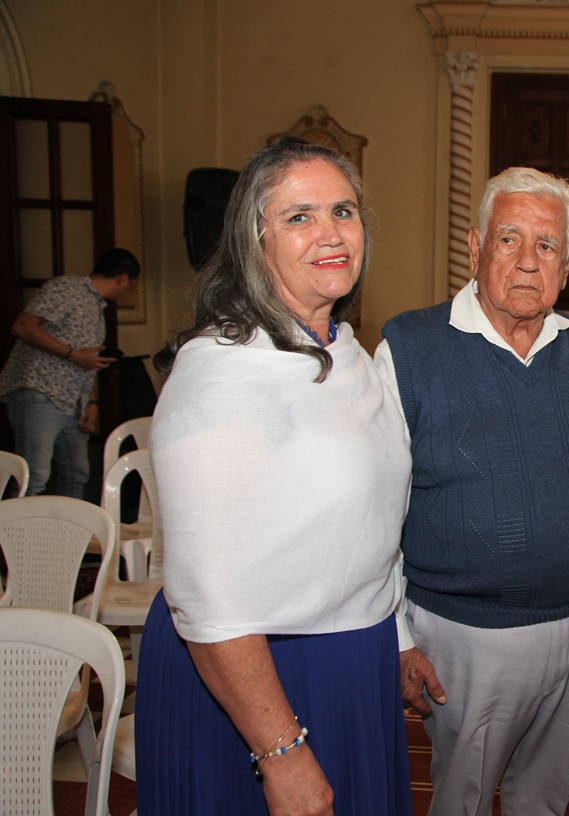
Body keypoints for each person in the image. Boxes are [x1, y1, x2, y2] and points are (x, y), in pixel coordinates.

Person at [135, 137, 413, 816]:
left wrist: (396, 633)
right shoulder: (220, 373)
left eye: (343, 211)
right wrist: (281, 750)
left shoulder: (349, 352)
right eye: (299, 216)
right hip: (260, 679)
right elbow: (208, 592)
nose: (330, 233)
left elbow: (374, 520)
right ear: (253, 242)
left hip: (354, 661)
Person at [376, 166, 569, 816]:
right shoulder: (409, 348)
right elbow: (372, 511)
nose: (525, 261)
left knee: (543, 801)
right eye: (509, 238)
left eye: (546, 246)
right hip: (462, 636)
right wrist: (397, 638)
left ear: (568, 263)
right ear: (474, 245)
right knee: (459, 799)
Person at [0, 247, 138, 497]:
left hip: (73, 400)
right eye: (130, 284)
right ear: (123, 279)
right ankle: (13, 535)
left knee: (78, 473)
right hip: (40, 390)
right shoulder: (68, 287)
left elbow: (89, 359)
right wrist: (71, 354)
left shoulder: (97, 305)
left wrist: (92, 401)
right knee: (34, 475)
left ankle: (66, 535)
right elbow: (22, 326)